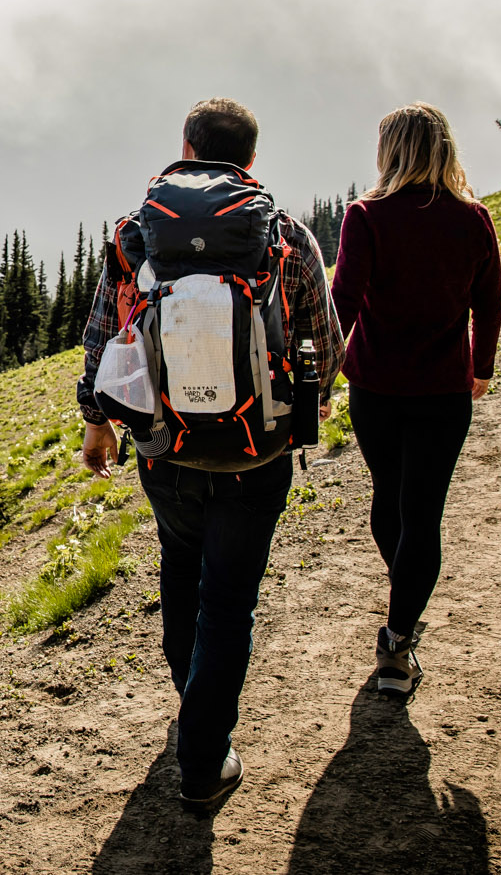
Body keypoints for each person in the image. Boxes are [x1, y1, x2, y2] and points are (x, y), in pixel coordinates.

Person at [79, 97, 343, 812]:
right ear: (248, 159)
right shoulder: (285, 235)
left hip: (165, 452)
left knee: (179, 570)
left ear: (186, 149)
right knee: (230, 601)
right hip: (259, 455)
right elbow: (327, 339)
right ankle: (203, 756)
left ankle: (193, 709)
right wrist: (310, 402)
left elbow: (105, 334)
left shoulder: (140, 236)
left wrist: (97, 425)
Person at [329, 102, 501, 698]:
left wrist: (319, 381)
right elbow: (490, 303)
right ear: (443, 149)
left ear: (390, 152)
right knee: (422, 511)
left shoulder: (366, 216)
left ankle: (403, 605)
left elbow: (343, 303)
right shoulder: (473, 219)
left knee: (389, 496)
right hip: (444, 391)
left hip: (375, 388)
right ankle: (399, 641)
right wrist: (481, 367)